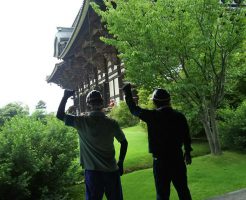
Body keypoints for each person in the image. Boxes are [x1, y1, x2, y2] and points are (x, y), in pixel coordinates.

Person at [122, 83, 192, 200]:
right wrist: (188, 153)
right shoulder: (179, 116)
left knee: (162, 194)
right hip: (177, 159)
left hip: (160, 162)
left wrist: (127, 92)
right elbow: (186, 136)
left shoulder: (152, 116)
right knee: (183, 191)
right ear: (169, 101)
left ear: (154, 102)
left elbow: (134, 109)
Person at [56, 89, 128, 200]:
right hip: (111, 171)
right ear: (102, 103)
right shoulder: (112, 123)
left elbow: (60, 115)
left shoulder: (80, 121)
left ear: (88, 105)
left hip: (92, 173)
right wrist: (121, 162)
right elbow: (124, 142)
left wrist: (65, 96)